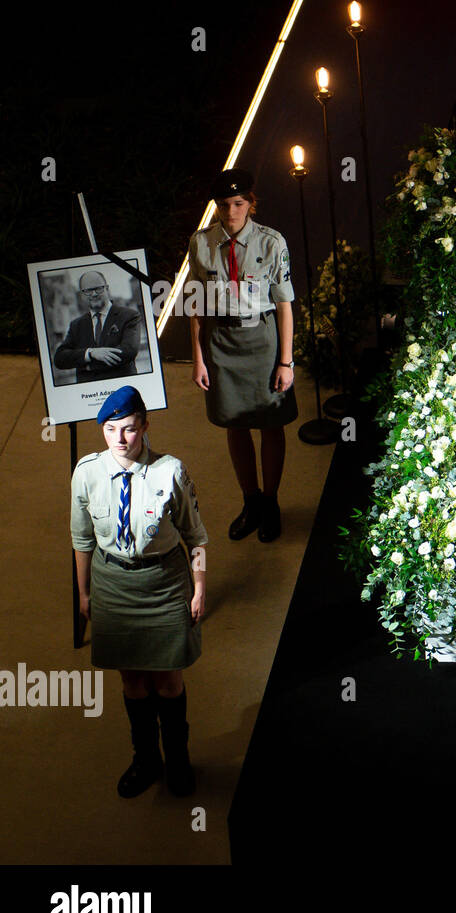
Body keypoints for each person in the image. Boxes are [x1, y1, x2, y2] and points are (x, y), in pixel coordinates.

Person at [70, 386, 208, 798]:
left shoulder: (171, 471)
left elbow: (196, 537)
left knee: (167, 680)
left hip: (164, 584)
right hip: (113, 584)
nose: (120, 439)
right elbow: (81, 540)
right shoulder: (86, 472)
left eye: (129, 429)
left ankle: (178, 760)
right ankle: (145, 759)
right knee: (131, 679)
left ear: (145, 426)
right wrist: (84, 594)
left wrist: (199, 589)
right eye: (111, 429)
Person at [188, 167, 297, 543]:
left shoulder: (271, 242)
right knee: (234, 424)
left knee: (270, 422)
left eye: (237, 203)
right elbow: (196, 304)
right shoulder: (201, 243)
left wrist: (286, 361)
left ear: (251, 203)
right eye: (223, 204)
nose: (230, 211)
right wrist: (198, 358)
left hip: (262, 340)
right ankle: (250, 501)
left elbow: (284, 305)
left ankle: (270, 502)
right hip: (221, 341)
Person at [52, 270, 142, 383]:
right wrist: (90, 353)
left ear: (107, 289)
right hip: (88, 394)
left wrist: (86, 366)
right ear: (81, 294)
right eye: (88, 291)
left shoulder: (129, 316)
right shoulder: (76, 325)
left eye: (98, 288)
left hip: (121, 389)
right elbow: (59, 359)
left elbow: (128, 351)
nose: (94, 294)